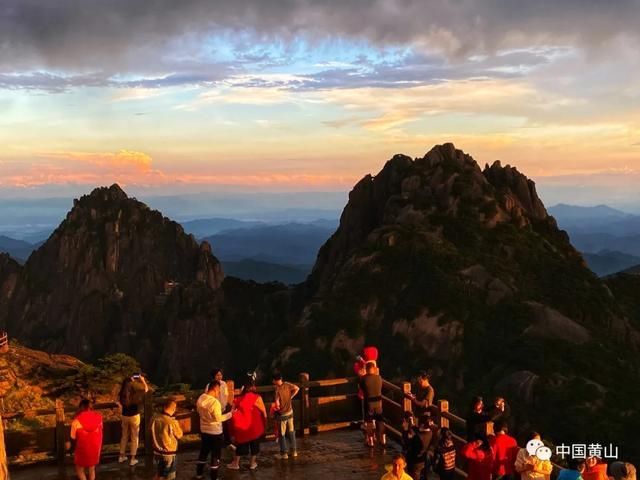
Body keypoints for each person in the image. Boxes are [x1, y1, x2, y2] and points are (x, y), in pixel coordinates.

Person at [227, 375, 267, 471]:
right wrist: (265, 423)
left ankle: (236, 463)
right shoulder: (257, 398)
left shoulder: (237, 400)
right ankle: (253, 463)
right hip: (254, 427)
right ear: (252, 387)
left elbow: (231, 413)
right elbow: (264, 412)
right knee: (255, 445)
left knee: (240, 445)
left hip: (242, 427)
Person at [196, 381, 233, 479]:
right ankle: (214, 477)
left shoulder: (201, 398)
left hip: (204, 430)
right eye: (218, 391)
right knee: (215, 456)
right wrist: (230, 414)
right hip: (215, 432)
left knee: (203, 452)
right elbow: (218, 418)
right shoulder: (214, 402)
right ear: (215, 389)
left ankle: (199, 474)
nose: (218, 393)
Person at [118, 374, 149, 466]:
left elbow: (117, 402)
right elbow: (146, 390)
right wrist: (142, 380)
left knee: (124, 436)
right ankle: (132, 459)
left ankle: (121, 456)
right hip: (134, 416)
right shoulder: (135, 392)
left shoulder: (122, 393)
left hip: (124, 416)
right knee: (134, 437)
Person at [68, 399, 103, 480]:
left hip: (82, 450)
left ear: (80, 408)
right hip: (95, 449)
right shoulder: (99, 418)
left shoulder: (76, 421)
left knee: (79, 469)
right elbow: (100, 433)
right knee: (92, 469)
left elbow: (72, 438)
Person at [150, 397, 183, 480]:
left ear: (164, 407)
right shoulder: (172, 422)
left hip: (156, 451)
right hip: (169, 453)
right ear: (174, 409)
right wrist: (177, 424)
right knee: (170, 476)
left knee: (159, 474)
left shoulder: (154, 418)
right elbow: (179, 435)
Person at [272, 372, 300, 459]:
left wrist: (275, 408)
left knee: (282, 434)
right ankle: (294, 451)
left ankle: (284, 453)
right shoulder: (287, 384)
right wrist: (290, 397)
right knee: (291, 431)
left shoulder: (277, 390)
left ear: (276, 381)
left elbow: (277, 404)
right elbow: (297, 388)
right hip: (290, 412)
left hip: (283, 414)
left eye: (273, 380)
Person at [360, 361, 386, 447]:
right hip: (379, 404)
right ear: (373, 369)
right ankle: (383, 440)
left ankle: (371, 441)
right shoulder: (379, 378)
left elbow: (362, 389)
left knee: (370, 422)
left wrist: (361, 375)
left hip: (369, 405)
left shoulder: (363, 379)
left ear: (366, 369)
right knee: (380, 421)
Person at [405, 414, 436, 480]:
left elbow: (408, 444)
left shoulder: (417, 437)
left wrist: (406, 433)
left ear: (421, 424)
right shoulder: (430, 433)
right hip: (424, 460)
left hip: (415, 461)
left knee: (414, 477)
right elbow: (418, 430)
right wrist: (412, 423)